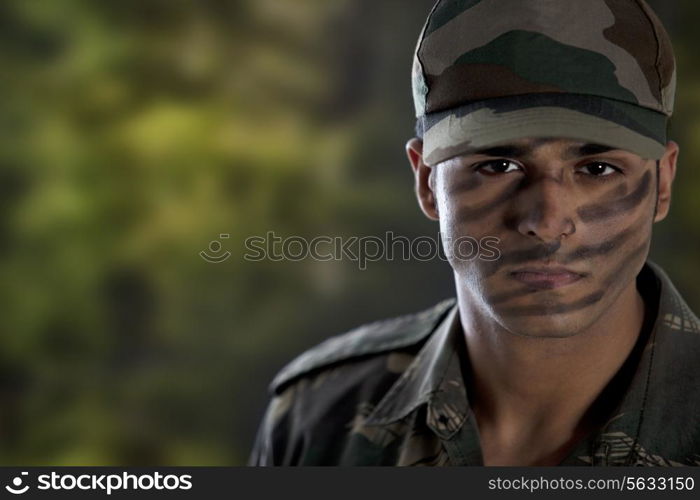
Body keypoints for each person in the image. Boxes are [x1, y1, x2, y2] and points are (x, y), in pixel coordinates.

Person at [249, 0, 700, 466]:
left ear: (662, 183)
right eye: (497, 165)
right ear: (427, 181)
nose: (546, 222)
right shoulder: (319, 417)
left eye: (598, 168)